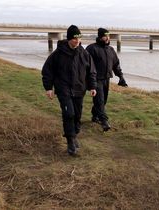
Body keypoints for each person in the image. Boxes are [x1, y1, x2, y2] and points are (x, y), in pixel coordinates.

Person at [42, 25, 97, 156]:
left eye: (79, 38)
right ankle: (70, 142)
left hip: (79, 89)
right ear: (68, 39)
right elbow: (47, 71)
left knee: (77, 115)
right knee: (69, 114)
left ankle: (74, 134)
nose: (77, 41)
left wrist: (93, 86)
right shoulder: (57, 54)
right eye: (74, 39)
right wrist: (49, 88)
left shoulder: (84, 54)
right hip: (63, 89)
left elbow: (92, 72)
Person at [86, 28, 128, 132]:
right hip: (95, 79)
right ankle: (104, 122)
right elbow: (85, 65)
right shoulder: (92, 48)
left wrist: (121, 76)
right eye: (105, 36)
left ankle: (95, 116)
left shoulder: (111, 50)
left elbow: (116, 65)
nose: (108, 38)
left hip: (106, 79)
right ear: (100, 37)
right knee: (99, 100)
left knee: (103, 101)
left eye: (108, 36)